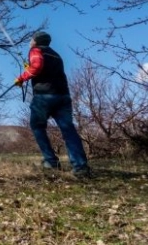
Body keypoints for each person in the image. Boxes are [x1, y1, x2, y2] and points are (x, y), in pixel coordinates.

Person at [14, 32, 91, 178]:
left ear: (35, 41)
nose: (30, 42)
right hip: (63, 96)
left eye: (31, 40)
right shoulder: (55, 55)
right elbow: (40, 68)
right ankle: (80, 167)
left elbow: (36, 67)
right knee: (68, 130)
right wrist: (29, 69)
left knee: (37, 126)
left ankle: (50, 161)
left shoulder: (35, 50)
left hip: (44, 96)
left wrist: (21, 78)